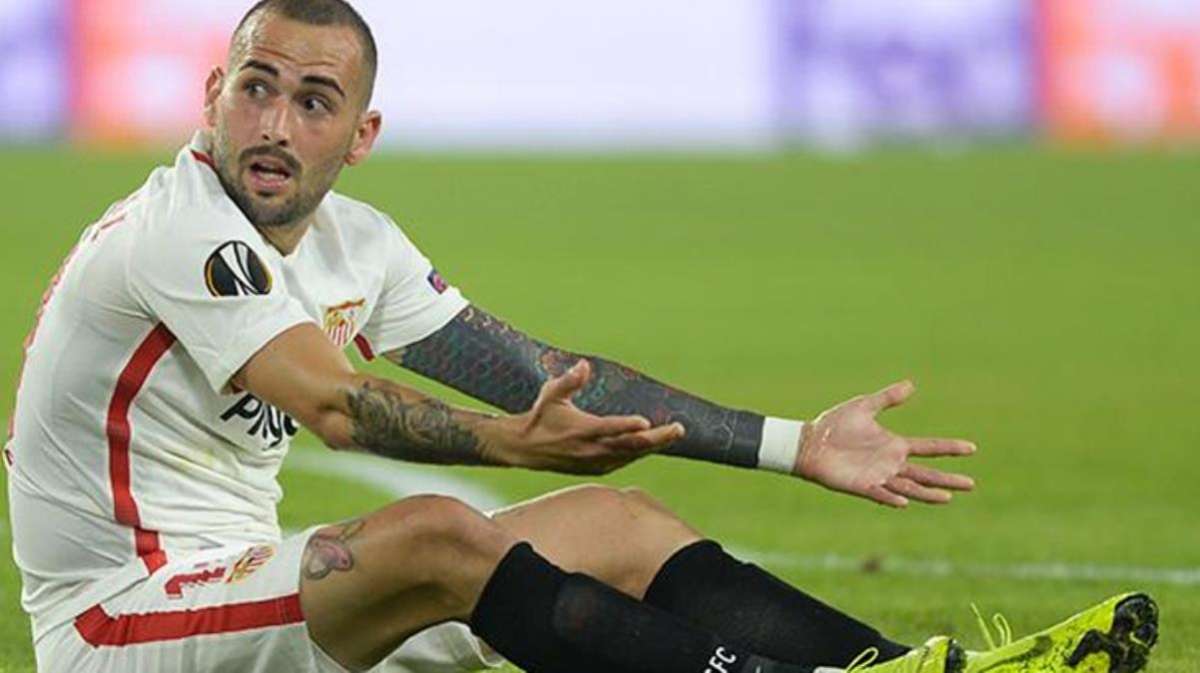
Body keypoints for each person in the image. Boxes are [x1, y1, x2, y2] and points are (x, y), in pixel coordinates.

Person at [4, 1, 1157, 672]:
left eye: (313, 101)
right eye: (256, 88)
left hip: (253, 592)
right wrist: (506, 445)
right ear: (210, 93)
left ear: (360, 134)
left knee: (619, 522)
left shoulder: (358, 242)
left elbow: (548, 376)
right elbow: (335, 404)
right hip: (122, 623)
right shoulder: (180, 230)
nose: (274, 123)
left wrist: (791, 442)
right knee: (433, 533)